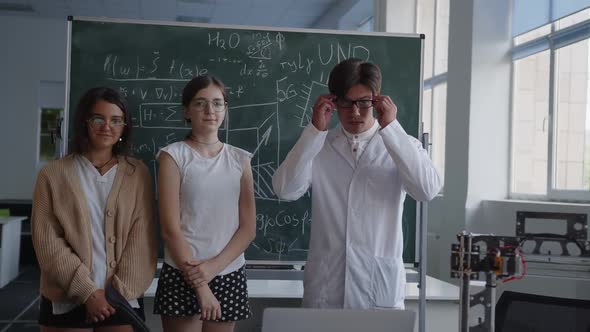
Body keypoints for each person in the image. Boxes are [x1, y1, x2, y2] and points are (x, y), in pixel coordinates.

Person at [272, 58, 441, 309]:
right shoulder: (319, 145)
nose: (355, 112)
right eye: (346, 103)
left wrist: (392, 128)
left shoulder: (402, 144)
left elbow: (426, 190)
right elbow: (285, 190)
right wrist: (314, 132)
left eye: (364, 103)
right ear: (332, 101)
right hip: (327, 289)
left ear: (377, 100)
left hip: (377, 288)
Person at [31, 87, 158, 331]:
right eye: (98, 118)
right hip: (65, 296)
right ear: (85, 123)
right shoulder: (53, 174)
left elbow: (142, 239)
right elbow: (48, 241)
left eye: (116, 120)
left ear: (124, 127)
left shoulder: (138, 174)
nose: (107, 126)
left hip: (120, 299)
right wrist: (88, 293)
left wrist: (113, 296)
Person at [154, 75, 256, 332]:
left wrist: (213, 268)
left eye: (217, 103)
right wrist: (200, 283)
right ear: (186, 111)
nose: (210, 110)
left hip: (228, 271)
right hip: (183, 272)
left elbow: (248, 228)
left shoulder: (240, 160)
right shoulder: (173, 156)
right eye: (200, 103)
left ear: (225, 109)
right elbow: (170, 229)